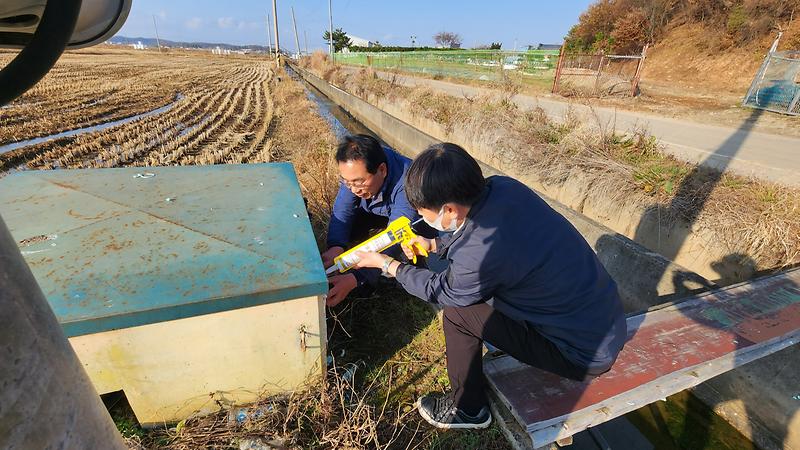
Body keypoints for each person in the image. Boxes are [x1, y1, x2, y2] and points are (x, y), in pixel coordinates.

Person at [353, 143, 627, 430]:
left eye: (425, 214)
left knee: (459, 314)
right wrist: (433, 243)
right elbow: (472, 233)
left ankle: (468, 409)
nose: (424, 220)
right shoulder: (504, 188)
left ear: (449, 210)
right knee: (481, 295)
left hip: (581, 354)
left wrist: (388, 265)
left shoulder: (480, 253)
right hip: (606, 321)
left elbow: (441, 289)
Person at [323, 134, 434, 306]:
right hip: (378, 211)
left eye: (359, 183)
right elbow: (343, 210)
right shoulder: (356, 174)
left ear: (382, 170)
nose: (353, 190)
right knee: (348, 230)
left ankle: (410, 273)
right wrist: (336, 246)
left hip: (411, 222)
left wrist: (356, 278)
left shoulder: (408, 184)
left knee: (404, 246)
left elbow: (395, 236)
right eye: (347, 182)